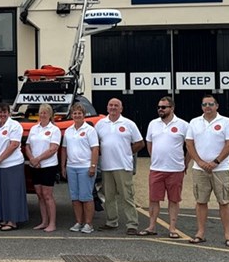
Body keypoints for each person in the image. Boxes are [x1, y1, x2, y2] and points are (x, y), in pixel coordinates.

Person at [185, 94, 229, 247]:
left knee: (224, 201)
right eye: (204, 104)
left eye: (210, 104)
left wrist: (216, 162)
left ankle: (228, 235)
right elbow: (189, 144)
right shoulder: (194, 122)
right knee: (201, 201)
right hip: (199, 169)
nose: (207, 107)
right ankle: (200, 233)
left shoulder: (226, 122)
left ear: (217, 106)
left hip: (221, 169)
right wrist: (200, 162)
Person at [94, 98, 144, 235]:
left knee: (127, 196)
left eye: (116, 105)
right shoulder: (100, 124)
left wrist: (128, 152)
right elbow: (95, 142)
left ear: (121, 109)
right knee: (108, 196)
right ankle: (111, 221)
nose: (113, 107)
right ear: (107, 107)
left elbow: (140, 143)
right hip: (106, 166)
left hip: (123, 165)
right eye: (111, 105)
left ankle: (132, 224)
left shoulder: (129, 124)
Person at [141, 95, 189, 238]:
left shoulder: (183, 125)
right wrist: (155, 157)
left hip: (175, 169)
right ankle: (151, 226)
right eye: (159, 107)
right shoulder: (153, 124)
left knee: (174, 199)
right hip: (156, 169)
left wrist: (185, 163)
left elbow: (191, 145)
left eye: (163, 107)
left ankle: (172, 228)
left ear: (172, 108)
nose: (160, 110)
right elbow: (149, 143)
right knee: (154, 199)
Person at [61, 102, 99, 234]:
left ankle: (89, 223)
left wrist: (93, 166)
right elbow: (64, 149)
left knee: (86, 197)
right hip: (72, 167)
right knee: (75, 197)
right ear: (72, 115)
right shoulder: (68, 131)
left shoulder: (90, 130)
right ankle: (79, 222)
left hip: (85, 167)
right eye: (75, 113)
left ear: (84, 115)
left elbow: (95, 149)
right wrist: (63, 166)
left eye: (79, 113)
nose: (77, 115)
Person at [0, 102, 27, 230]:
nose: (2, 114)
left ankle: (13, 221)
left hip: (12, 164)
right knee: (1, 194)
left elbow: (14, 145)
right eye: (0, 112)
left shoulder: (15, 125)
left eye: (4, 112)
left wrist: (0, 158)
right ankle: (3, 219)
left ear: (9, 113)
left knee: (12, 193)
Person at [26, 103, 62, 232]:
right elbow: (27, 146)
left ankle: (52, 223)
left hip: (48, 166)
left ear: (50, 114)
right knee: (39, 194)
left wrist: (38, 159)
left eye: (45, 112)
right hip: (35, 166)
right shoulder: (34, 129)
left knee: (47, 195)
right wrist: (32, 159)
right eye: (41, 112)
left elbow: (53, 149)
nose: (42, 115)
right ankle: (44, 221)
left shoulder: (54, 130)